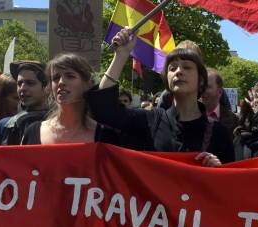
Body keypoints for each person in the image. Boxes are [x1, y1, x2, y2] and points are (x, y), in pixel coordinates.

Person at [87, 27, 233, 165]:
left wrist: (218, 171)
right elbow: (103, 109)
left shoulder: (219, 134)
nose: (178, 72)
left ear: (201, 80)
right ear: (167, 80)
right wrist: (121, 55)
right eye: (172, 68)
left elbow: (229, 186)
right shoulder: (150, 121)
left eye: (187, 67)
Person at [21, 53, 118, 145]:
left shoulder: (106, 136)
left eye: (70, 76)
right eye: (55, 78)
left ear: (88, 84)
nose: (61, 82)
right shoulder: (32, 132)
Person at [0, 60, 49, 145]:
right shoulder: (4, 126)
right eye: (19, 83)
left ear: (46, 87)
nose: (23, 88)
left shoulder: (60, 124)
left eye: (30, 83)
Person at [200, 68, 238, 137]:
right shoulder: (187, 116)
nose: (202, 91)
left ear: (220, 92)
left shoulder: (234, 120)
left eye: (207, 87)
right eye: (201, 86)